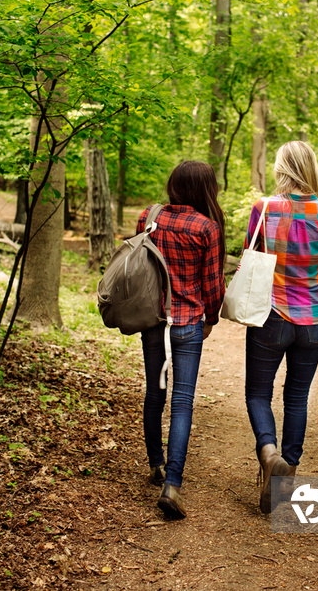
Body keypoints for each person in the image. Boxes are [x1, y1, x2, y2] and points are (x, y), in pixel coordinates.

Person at [244, 141, 318, 513]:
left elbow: (252, 256)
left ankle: (270, 458)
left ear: (283, 168)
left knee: (257, 393)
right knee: (297, 398)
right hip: (315, 319)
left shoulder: (264, 208)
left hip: (273, 315)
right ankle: (289, 475)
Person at [136, 161, 226, 519]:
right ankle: (172, 484)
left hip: (153, 319)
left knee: (153, 392)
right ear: (206, 189)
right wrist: (212, 318)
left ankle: (156, 463)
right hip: (187, 323)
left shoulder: (148, 216)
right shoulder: (207, 228)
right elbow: (213, 286)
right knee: (182, 401)